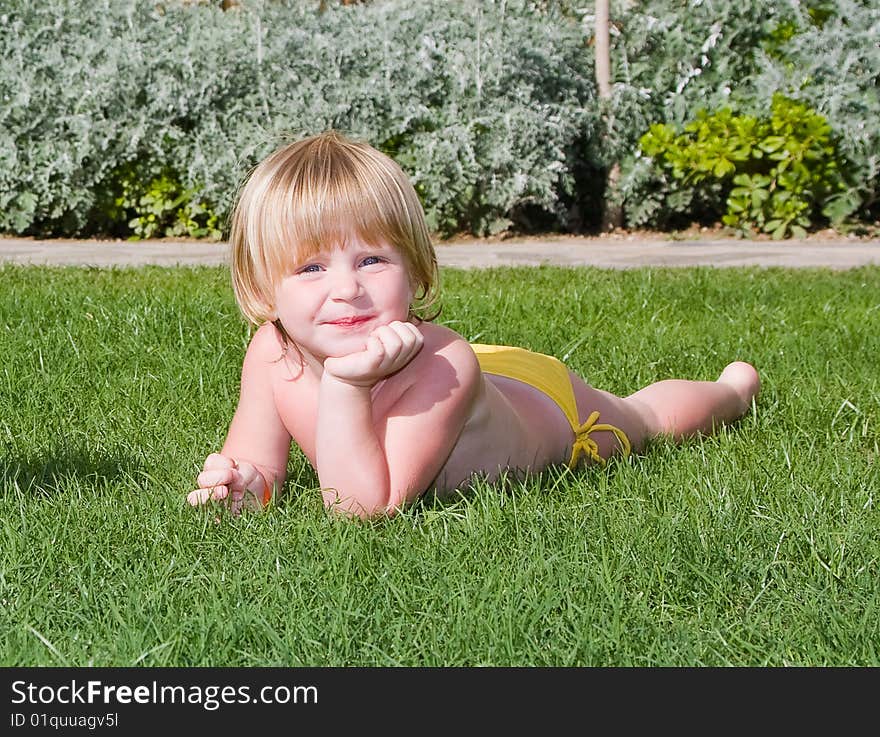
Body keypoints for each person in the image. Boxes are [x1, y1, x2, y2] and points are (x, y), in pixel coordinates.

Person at [187, 131, 760, 519]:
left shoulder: (443, 364)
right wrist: (244, 483)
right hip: (472, 374)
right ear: (264, 290)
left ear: (414, 269)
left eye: (372, 260)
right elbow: (261, 463)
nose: (346, 288)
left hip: (546, 405)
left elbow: (364, 506)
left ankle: (733, 390)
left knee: (644, 417)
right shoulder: (273, 353)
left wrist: (346, 383)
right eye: (311, 268)